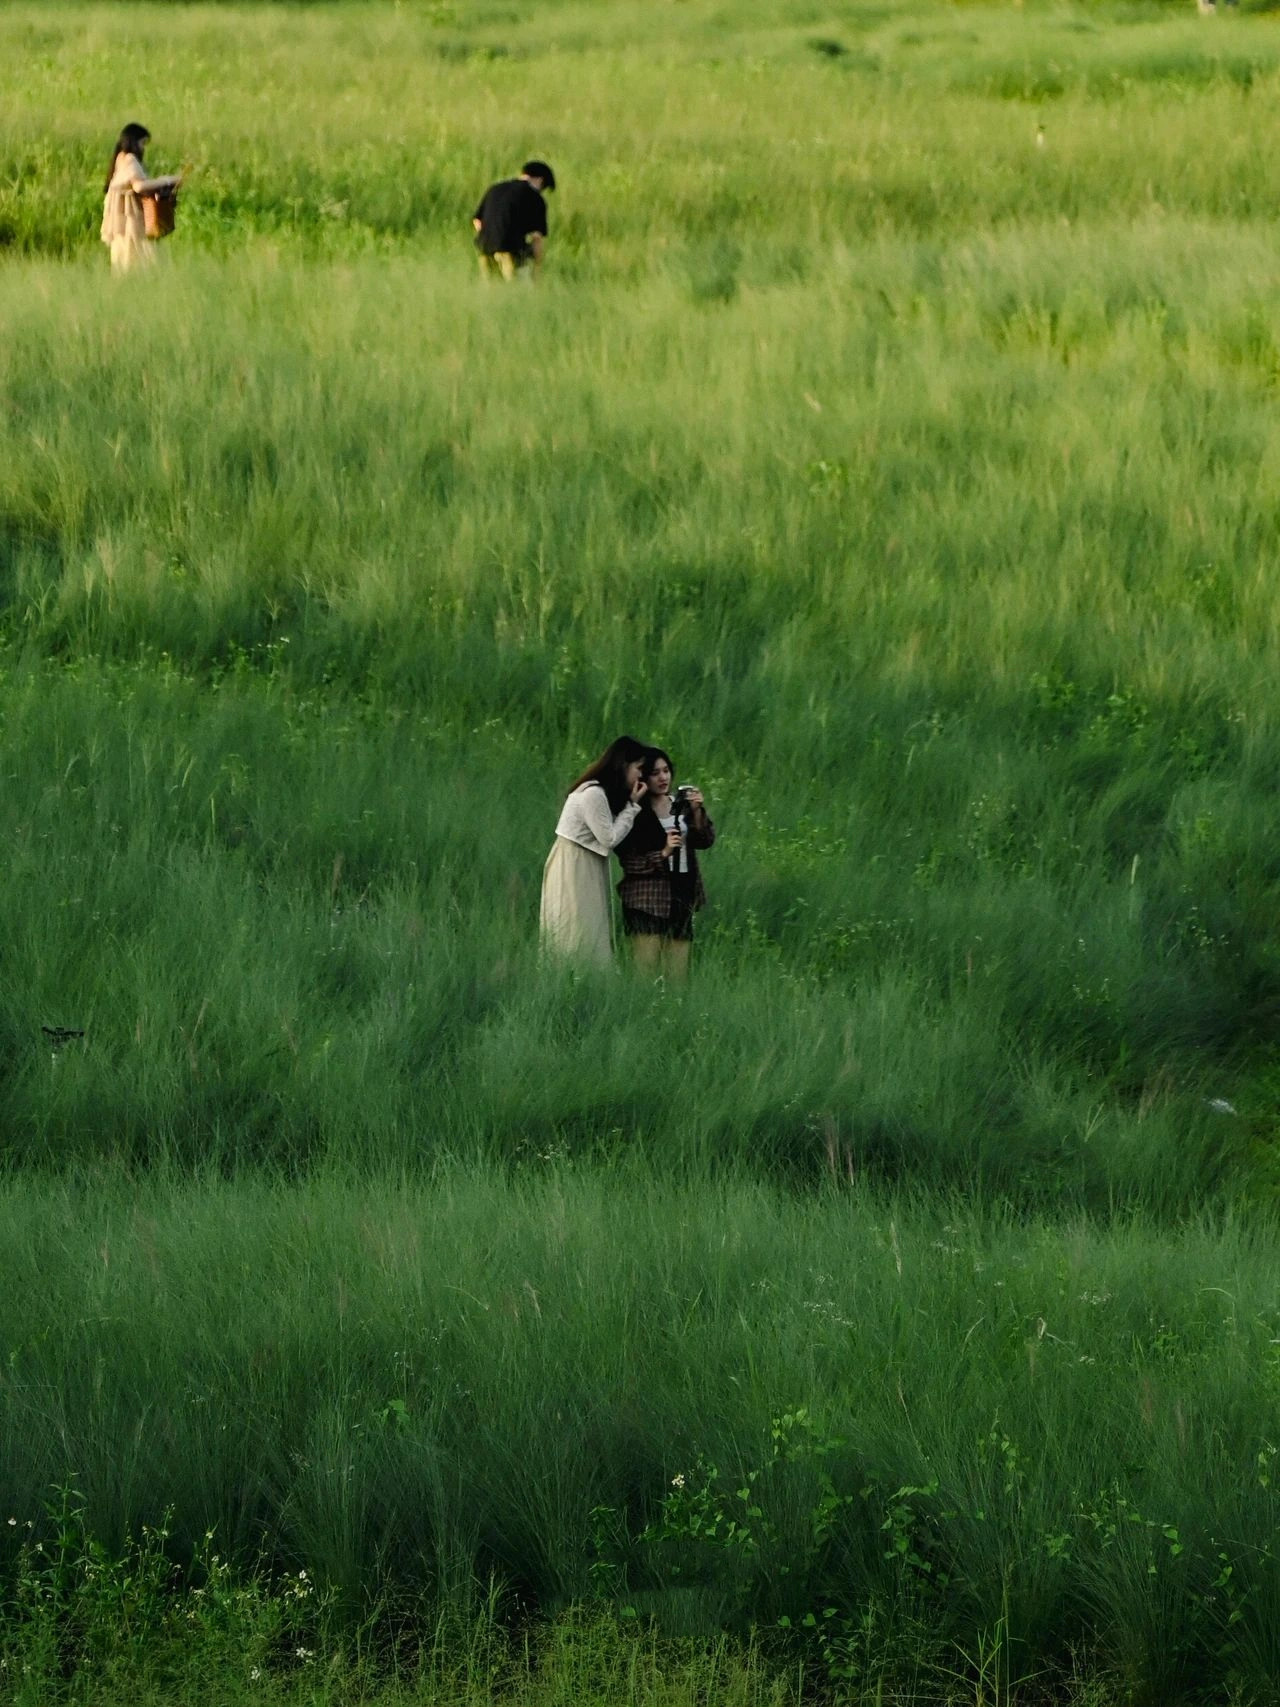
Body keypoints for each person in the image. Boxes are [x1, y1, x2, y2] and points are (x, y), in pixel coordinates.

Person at [540, 737, 649, 967]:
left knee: (586, 928)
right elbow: (608, 838)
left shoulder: (598, 793)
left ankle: (582, 983)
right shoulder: (593, 794)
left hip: (581, 862)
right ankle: (573, 982)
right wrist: (632, 807)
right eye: (639, 768)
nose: (641, 775)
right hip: (574, 864)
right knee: (575, 929)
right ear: (623, 764)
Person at [616, 749, 716, 981]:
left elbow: (705, 840)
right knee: (644, 971)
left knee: (677, 974)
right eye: (655, 773)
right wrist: (663, 853)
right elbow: (629, 862)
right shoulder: (635, 811)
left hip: (683, 892)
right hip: (646, 899)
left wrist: (697, 811)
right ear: (643, 778)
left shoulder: (680, 806)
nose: (663, 778)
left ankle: (673, 1013)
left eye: (666, 771)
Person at [100, 123, 180, 273]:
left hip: (121, 222)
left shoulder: (120, 158)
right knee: (146, 256)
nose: (143, 148)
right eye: (142, 143)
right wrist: (167, 180)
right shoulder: (130, 159)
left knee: (124, 258)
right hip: (131, 218)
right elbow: (139, 186)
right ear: (134, 141)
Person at [472, 160, 555, 281]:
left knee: (490, 291)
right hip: (510, 250)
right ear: (540, 180)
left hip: (484, 247)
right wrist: (537, 270)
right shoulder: (535, 198)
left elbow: (477, 221)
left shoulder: (495, 189)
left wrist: (491, 234)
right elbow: (536, 237)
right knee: (514, 292)